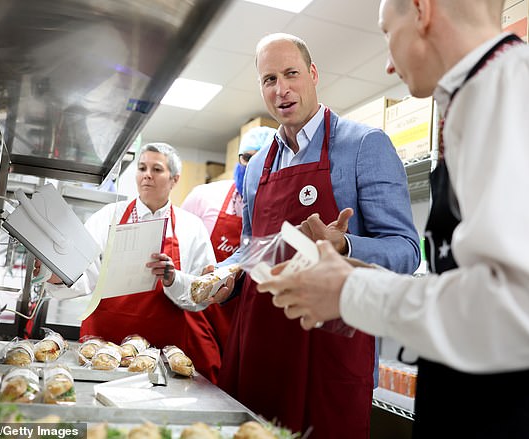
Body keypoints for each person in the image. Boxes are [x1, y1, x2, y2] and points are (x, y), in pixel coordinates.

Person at [257, 1, 529, 438]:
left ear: (422, 10)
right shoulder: (475, 97)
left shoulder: (508, 92)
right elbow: (477, 280)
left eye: (387, 32)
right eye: (268, 79)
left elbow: (519, 309)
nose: (387, 63)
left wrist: (350, 287)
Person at [215, 33, 420, 439]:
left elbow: (406, 249)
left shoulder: (364, 145)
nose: (281, 89)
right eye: (269, 79)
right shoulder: (256, 167)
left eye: (291, 74)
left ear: (312, 75)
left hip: (330, 351)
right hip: (259, 348)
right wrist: (222, 275)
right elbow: (251, 249)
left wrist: (344, 245)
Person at [68, 142, 222, 383]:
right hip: (103, 347)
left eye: (157, 169)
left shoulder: (192, 227)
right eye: (142, 168)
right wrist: (57, 273)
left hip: (162, 354)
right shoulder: (109, 216)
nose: (147, 175)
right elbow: (82, 273)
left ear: (174, 179)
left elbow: (201, 296)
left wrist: (174, 279)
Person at [181, 126, 276, 359]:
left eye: (261, 159)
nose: (252, 167)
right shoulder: (204, 197)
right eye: (246, 158)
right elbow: (178, 253)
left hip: (252, 322)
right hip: (204, 316)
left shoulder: (281, 210)